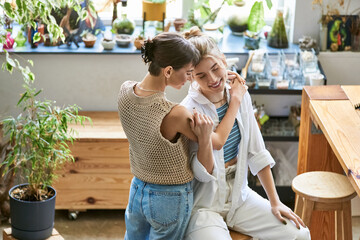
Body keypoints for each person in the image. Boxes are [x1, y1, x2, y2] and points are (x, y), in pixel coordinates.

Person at [181, 27, 311, 240]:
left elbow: (256, 152)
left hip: (240, 198)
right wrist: (236, 101)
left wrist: (275, 202)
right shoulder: (189, 109)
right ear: (190, 77)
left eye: (215, 68)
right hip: (205, 206)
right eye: (201, 75)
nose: (213, 79)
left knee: (299, 234)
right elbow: (202, 170)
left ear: (223, 60)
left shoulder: (239, 94)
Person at [117, 32, 214, 240]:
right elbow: (218, 142)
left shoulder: (124, 91)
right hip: (169, 198)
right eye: (188, 73)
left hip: (137, 190)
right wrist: (234, 105)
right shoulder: (175, 114)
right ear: (168, 71)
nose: (190, 80)